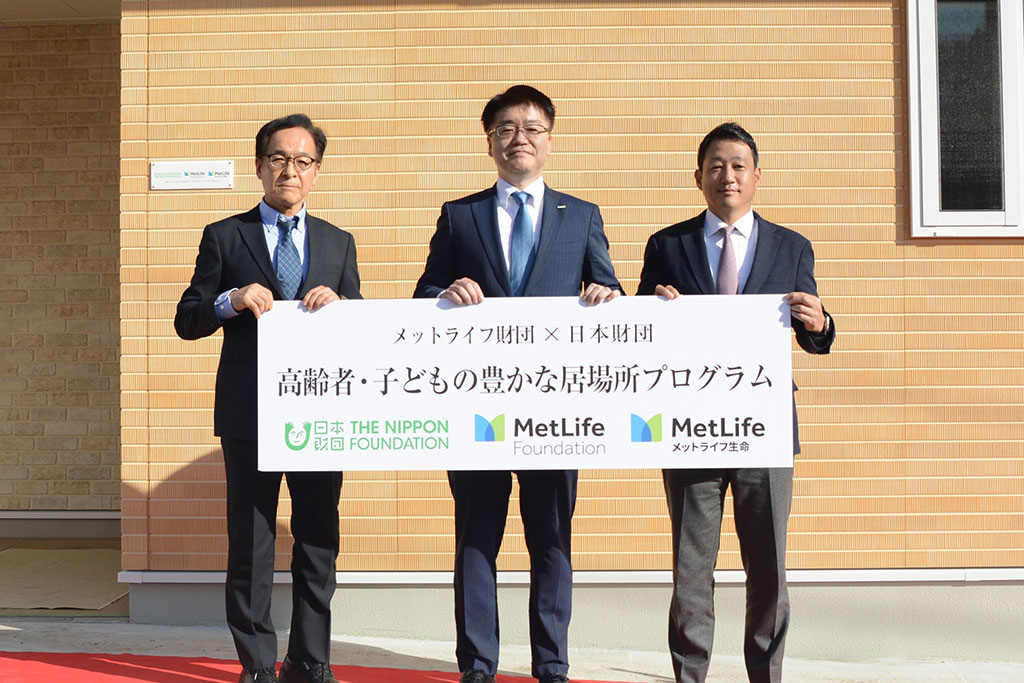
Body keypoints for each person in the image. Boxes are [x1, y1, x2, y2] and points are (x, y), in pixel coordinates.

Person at [414, 85, 621, 683]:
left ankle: (551, 665)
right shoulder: (460, 214)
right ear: (490, 142)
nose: (519, 138)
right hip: (476, 410)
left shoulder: (580, 215)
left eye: (532, 127)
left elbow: (609, 293)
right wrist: (444, 294)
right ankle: (478, 666)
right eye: (506, 128)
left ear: (549, 140)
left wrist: (607, 297)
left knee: (551, 541)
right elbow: (422, 293)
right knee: (476, 542)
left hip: (556, 413)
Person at [637, 122, 835, 683]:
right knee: (690, 566)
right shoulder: (666, 245)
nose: (728, 175)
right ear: (698, 176)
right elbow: (642, 333)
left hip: (765, 428)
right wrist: (654, 306)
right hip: (691, 427)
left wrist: (821, 322)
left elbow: (813, 335)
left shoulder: (790, 245)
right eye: (716, 165)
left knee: (768, 565)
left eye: (739, 165)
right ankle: (689, 675)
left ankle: (765, 675)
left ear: (756, 177)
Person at [174, 114, 361, 683]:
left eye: (302, 161)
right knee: (251, 541)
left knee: (318, 539)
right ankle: (256, 662)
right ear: (259, 167)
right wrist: (230, 299)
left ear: (316, 173)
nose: (290, 170)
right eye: (278, 159)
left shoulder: (338, 241)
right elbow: (187, 319)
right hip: (250, 413)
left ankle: (310, 658)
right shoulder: (224, 235)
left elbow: (360, 329)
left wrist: (342, 305)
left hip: (317, 411)